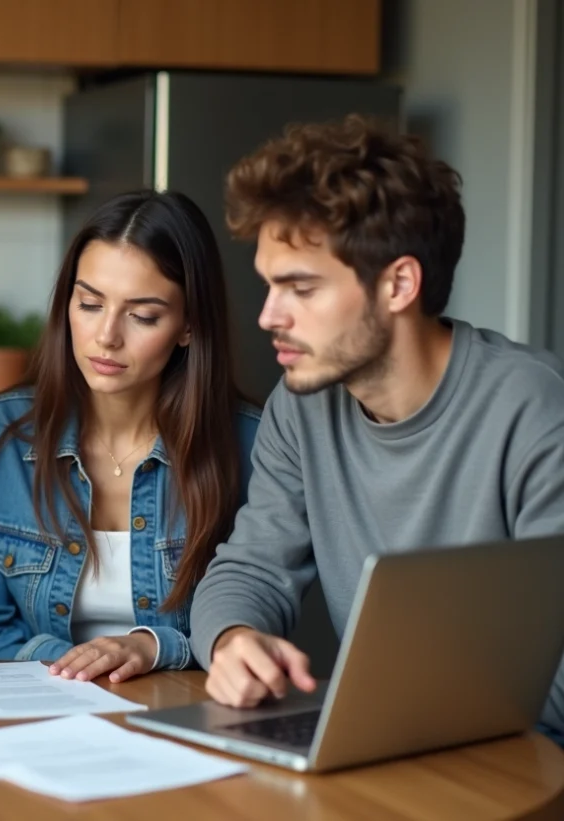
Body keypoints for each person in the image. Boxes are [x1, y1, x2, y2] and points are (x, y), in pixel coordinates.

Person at [190, 115, 564, 742]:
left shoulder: (535, 410)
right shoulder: (301, 404)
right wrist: (235, 640)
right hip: (393, 745)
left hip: (527, 763)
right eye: (268, 285)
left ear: (398, 283)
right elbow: (251, 569)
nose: (267, 316)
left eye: (300, 288)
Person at [0, 190, 260, 684]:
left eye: (143, 315)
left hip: (186, 715)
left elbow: (254, 624)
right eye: (89, 303)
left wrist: (152, 647)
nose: (106, 336)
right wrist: (77, 665)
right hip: (37, 711)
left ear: (189, 325)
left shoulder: (253, 445)